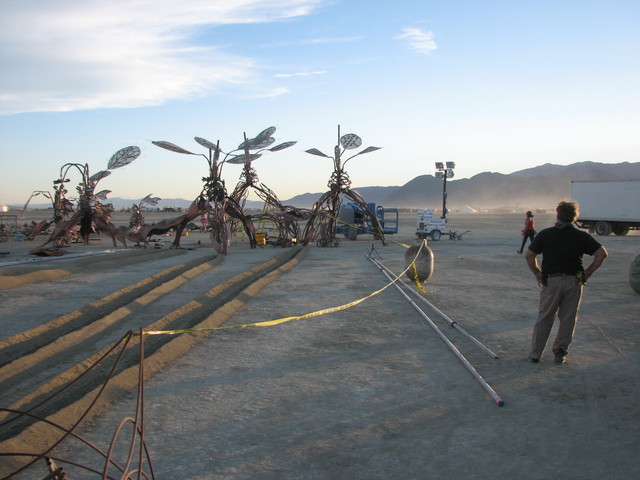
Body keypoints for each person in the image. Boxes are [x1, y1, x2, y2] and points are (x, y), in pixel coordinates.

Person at [525, 201, 607, 364]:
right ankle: (560, 352)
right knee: (568, 318)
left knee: (545, 317)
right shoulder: (581, 236)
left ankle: (536, 354)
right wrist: (587, 274)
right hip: (574, 281)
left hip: (551, 280)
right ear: (574, 217)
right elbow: (601, 254)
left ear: (557, 214)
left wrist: (537, 273)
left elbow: (529, 255)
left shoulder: (545, 234)